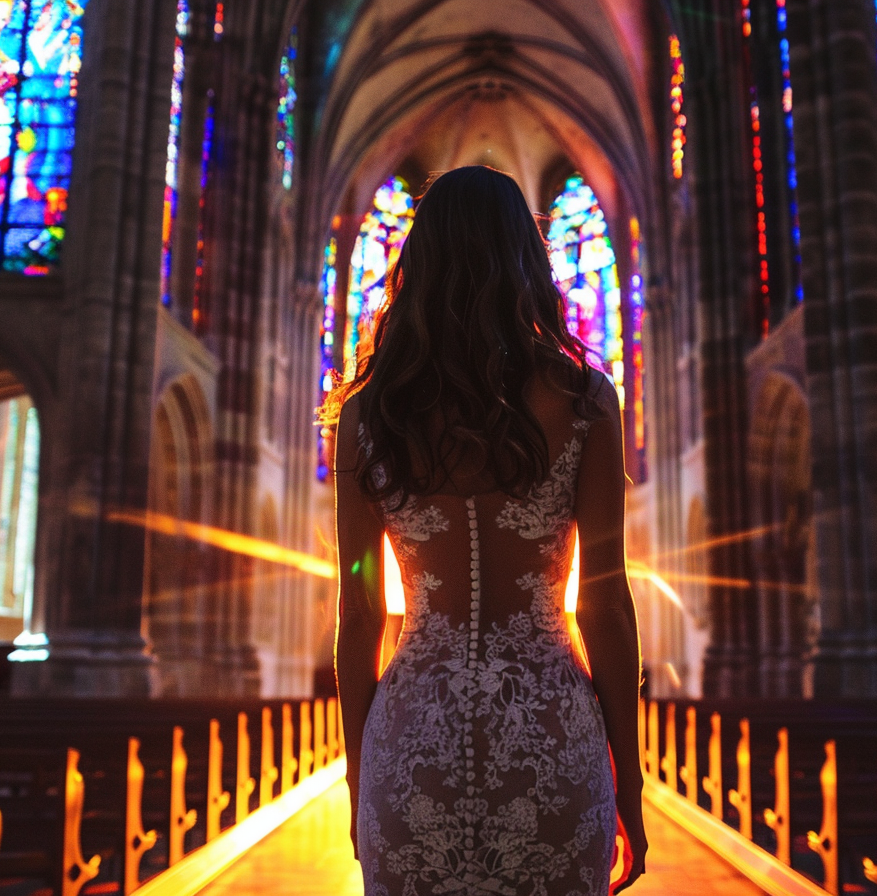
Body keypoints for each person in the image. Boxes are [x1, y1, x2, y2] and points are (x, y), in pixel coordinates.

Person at [325, 165, 646, 895]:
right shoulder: (586, 400)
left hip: (412, 740)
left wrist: (358, 773)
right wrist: (628, 781)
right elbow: (604, 603)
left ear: (419, 264)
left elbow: (360, 611)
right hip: (550, 735)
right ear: (526, 259)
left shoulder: (369, 414)